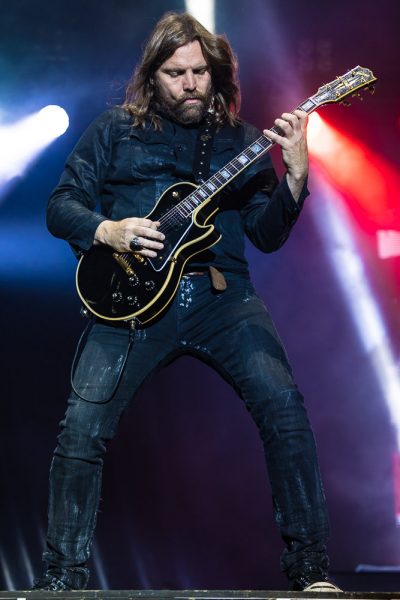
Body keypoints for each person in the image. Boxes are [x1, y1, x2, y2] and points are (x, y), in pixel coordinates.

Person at [33, 11, 339, 593]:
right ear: (153, 75)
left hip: (222, 296)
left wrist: (296, 180)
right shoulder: (114, 130)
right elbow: (60, 206)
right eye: (176, 73)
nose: (191, 84)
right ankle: (62, 579)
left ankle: (311, 572)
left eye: (200, 71)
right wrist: (108, 230)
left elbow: (266, 235)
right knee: (81, 431)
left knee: (285, 411)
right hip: (128, 302)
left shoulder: (242, 141)